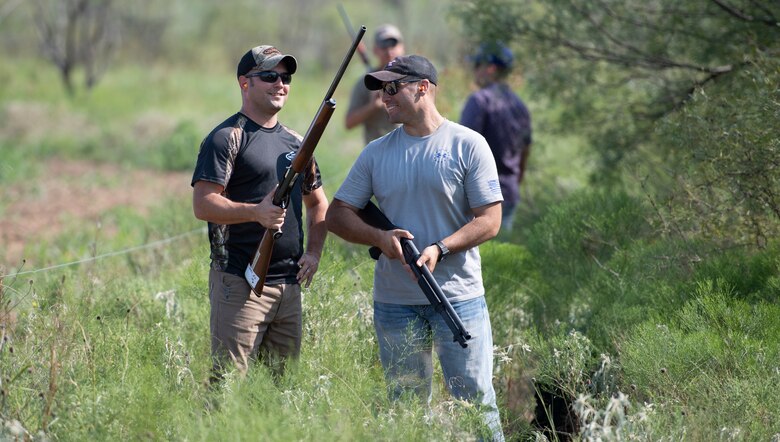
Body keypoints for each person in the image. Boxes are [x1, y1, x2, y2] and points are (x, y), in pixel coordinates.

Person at [327, 55, 505, 441]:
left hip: (458, 298)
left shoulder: (468, 144)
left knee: (476, 404)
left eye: (392, 88)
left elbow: (490, 221)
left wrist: (441, 248)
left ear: (422, 88)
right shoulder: (376, 152)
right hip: (394, 303)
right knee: (405, 410)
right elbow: (336, 215)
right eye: (380, 89)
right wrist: (380, 239)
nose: (383, 98)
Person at [191, 45, 328, 381]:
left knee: (280, 392)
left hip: (289, 286)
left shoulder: (298, 143)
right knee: (226, 389)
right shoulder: (226, 138)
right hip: (239, 282)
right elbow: (203, 204)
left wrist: (313, 252)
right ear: (244, 82)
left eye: (286, 77)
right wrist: (257, 213)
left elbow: (319, 204)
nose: (280, 83)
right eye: (269, 76)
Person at [460, 42, 532, 233]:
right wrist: (514, 183)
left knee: (478, 258)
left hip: (480, 198)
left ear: (490, 69)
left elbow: (463, 149)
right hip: (509, 193)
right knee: (500, 256)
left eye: (477, 65)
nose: (474, 71)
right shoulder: (520, 105)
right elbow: (525, 152)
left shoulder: (478, 101)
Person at [345, 24, 406, 144]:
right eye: (384, 45)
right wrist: (372, 106)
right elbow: (349, 123)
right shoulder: (365, 83)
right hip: (377, 156)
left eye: (393, 44)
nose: (389, 50)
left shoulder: (414, 79)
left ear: (402, 47)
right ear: (375, 50)